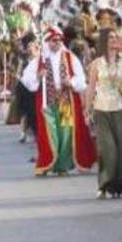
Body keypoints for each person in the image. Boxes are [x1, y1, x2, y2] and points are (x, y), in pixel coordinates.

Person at [22, 27, 97, 176]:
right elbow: (26, 79)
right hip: (47, 101)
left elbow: (81, 79)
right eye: (53, 40)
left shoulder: (70, 57)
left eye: (59, 40)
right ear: (47, 42)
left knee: (66, 132)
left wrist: (71, 82)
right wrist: (38, 75)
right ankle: (47, 162)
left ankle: (62, 166)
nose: (56, 43)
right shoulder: (40, 60)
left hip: (65, 101)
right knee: (50, 133)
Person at [86, 28, 122, 199]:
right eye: (111, 37)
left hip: (119, 108)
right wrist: (87, 110)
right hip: (101, 108)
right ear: (104, 40)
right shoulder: (97, 63)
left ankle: (118, 186)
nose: (114, 40)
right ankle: (104, 185)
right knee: (107, 149)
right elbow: (91, 88)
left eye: (116, 37)